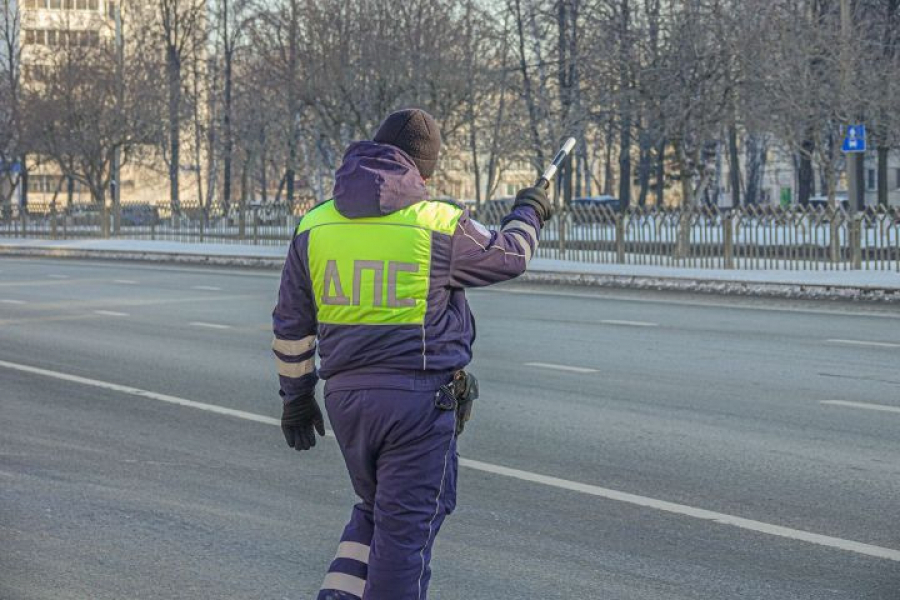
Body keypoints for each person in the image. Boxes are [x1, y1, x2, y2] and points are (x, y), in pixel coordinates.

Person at [272, 108, 552, 600]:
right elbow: (511, 256)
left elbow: (292, 327)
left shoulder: (315, 224)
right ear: (422, 171)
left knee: (375, 510)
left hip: (347, 401)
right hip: (418, 404)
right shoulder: (437, 221)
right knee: (406, 533)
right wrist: (530, 210)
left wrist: (296, 397)